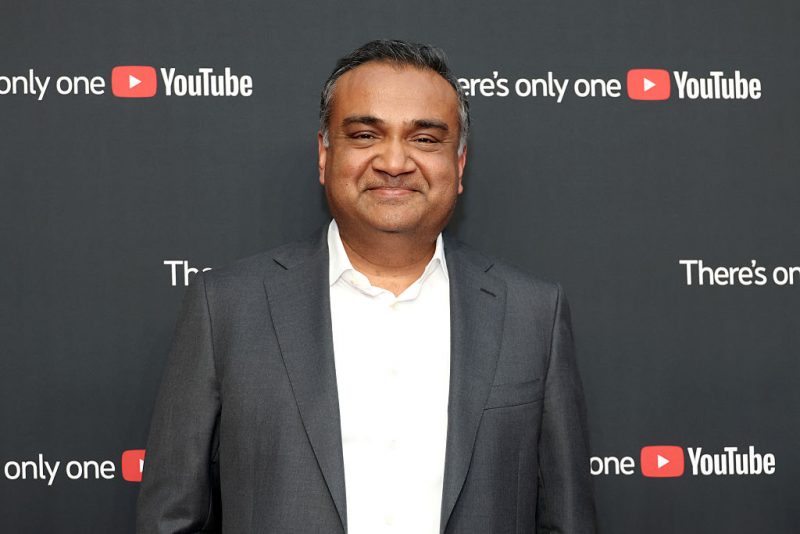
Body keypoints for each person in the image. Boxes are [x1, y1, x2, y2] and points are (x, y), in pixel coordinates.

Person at [136, 39, 596, 533]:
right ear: (324, 155)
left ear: (459, 166)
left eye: (424, 139)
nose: (394, 162)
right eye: (364, 135)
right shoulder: (225, 308)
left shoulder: (532, 314)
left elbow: (565, 520)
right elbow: (173, 520)